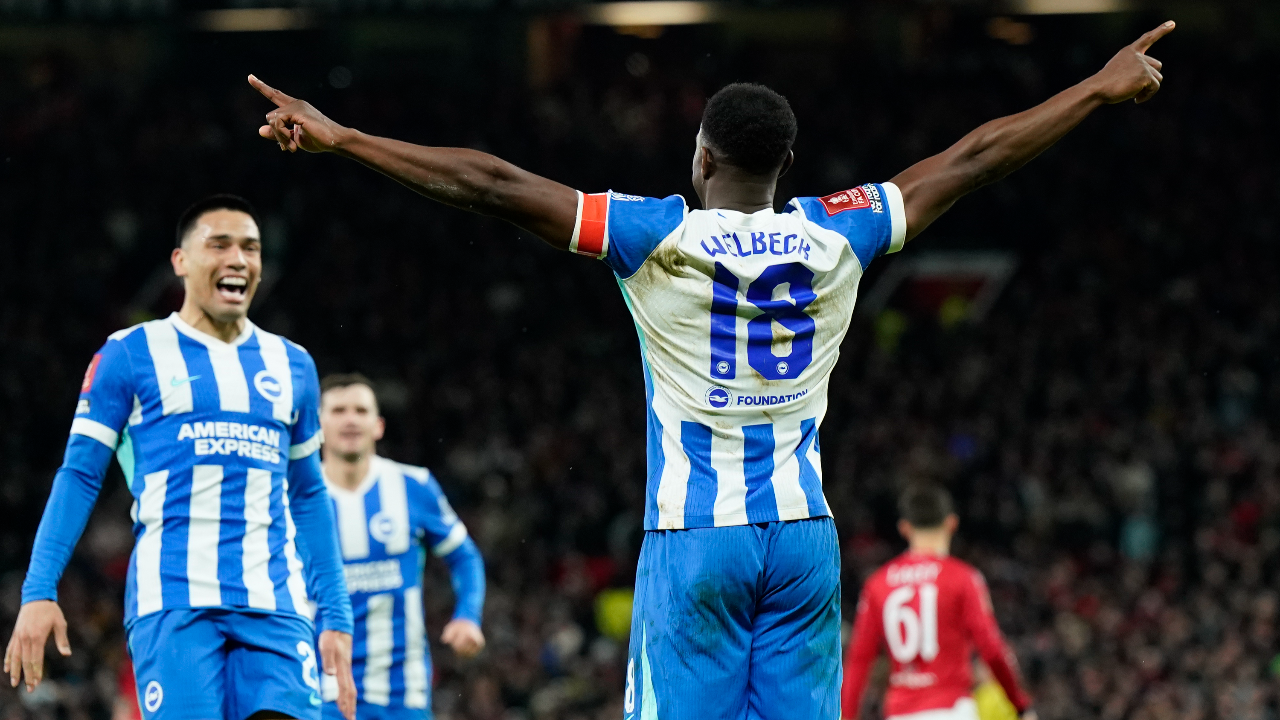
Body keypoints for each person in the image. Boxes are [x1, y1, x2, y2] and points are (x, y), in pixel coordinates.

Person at [245, 21, 1172, 719]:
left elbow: (491, 184)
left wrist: (349, 140)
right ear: (787, 164)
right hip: (806, 537)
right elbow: (973, 157)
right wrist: (1096, 87)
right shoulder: (836, 228)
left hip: (696, 538)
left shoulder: (659, 235)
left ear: (702, 156)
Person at [4, 195, 357, 720]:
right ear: (181, 261)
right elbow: (79, 474)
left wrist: (337, 614)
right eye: (220, 244)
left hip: (275, 605)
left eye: (251, 248)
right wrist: (39, 589)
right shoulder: (128, 353)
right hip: (174, 606)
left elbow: (308, 494)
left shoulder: (293, 365)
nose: (239, 259)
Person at [316, 373, 486, 720]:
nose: (350, 419)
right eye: (338, 410)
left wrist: (468, 616)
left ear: (378, 425)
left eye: (361, 410)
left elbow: (464, 556)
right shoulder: (296, 495)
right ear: (319, 425)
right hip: (320, 690)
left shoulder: (413, 485)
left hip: (401, 691)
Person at [841, 485, 1033, 720]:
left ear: (904, 528)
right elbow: (992, 649)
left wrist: (848, 716)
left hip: (901, 713)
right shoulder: (963, 578)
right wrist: (1020, 703)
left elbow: (858, 661)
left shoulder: (877, 584)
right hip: (952, 708)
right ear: (952, 523)